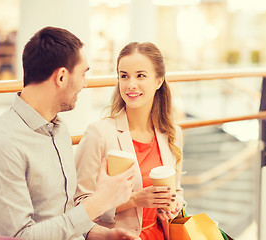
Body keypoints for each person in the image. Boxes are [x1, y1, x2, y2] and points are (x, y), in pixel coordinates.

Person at [0, 26, 140, 240]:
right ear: (61, 76)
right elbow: (20, 237)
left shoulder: (59, 130)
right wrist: (99, 203)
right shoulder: (2, 144)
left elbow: (63, 215)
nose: (85, 84)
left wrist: (100, 234)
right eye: (82, 74)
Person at [74, 42, 185, 240]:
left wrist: (174, 205)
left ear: (159, 80)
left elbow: (176, 190)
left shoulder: (172, 134)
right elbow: (79, 206)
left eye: (140, 75)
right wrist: (134, 200)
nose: (130, 84)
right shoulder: (99, 134)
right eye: (124, 76)